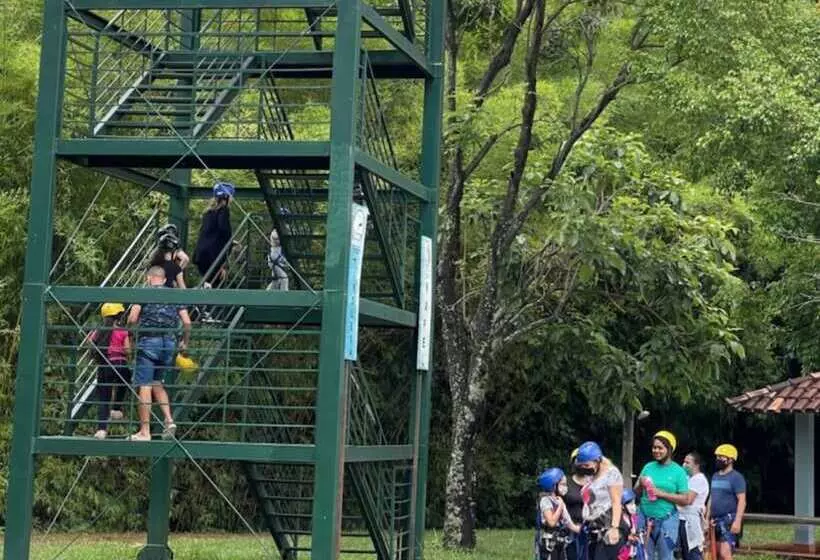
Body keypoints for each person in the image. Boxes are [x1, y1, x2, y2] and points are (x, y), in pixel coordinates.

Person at [127, 266, 191, 441]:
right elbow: (187, 322)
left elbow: (132, 318)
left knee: (145, 385)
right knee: (157, 383)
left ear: (148, 278)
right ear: (163, 280)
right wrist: (185, 342)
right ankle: (169, 420)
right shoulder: (175, 294)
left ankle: (144, 431)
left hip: (149, 342)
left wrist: (131, 336)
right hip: (169, 344)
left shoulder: (143, 292)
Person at [634, 430, 691, 560]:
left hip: (667, 521)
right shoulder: (648, 467)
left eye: (660, 448)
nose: (656, 451)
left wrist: (661, 494)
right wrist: (640, 485)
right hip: (644, 518)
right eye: (654, 447)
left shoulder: (678, 471)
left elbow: (685, 499)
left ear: (669, 449)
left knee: (665, 557)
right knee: (643, 556)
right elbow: (636, 492)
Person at [84, 303, 131, 440]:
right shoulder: (123, 331)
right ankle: (116, 408)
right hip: (120, 364)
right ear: (119, 316)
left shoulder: (99, 330)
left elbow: (89, 342)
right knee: (125, 381)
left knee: (104, 398)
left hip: (104, 366)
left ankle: (101, 430)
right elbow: (128, 350)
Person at [576, 441, 625, 560]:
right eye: (582, 466)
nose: (584, 468)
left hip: (607, 526)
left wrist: (614, 528)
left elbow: (616, 502)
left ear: (597, 461)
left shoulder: (611, 473)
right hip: (592, 528)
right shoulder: (590, 475)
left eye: (587, 465)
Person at [707, 444, 746, 560]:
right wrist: (707, 517)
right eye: (717, 456)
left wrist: (737, 521)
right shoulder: (715, 476)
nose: (718, 459)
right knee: (716, 553)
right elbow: (711, 498)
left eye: (721, 457)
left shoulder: (736, 477)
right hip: (714, 521)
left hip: (728, 520)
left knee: (725, 554)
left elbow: (742, 500)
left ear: (731, 459)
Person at [193, 182, 234, 288]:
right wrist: (230, 242)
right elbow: (224, 229)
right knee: (216, 283)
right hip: (213, 256)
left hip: (201, 254)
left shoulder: (208, 212)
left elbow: (210, 233)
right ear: (227, 197)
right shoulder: (224, 210)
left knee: (208, 282)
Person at [536, 467, 581, 560]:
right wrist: (560, 507)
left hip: (561, 543)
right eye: (562, 484)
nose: (565, 487)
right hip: (550, 543)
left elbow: (569, 523)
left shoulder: (559, 501)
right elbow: (551, 522)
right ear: (553, 486)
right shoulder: (546, 500)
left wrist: (583, 529)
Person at [678, 452, 709, 560]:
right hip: (681, 518)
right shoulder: (687, 478)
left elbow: (688, 500)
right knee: (684, 554)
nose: (684, 465)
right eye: (684, 462)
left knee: (693, 553)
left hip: (691, 521)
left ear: (696, 465)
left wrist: (671, 496)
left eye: (687, 462)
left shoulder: (699, 479)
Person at [566, 448, 590, 560]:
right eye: (578, 460)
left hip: (590, 530)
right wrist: (571, 526)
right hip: (570, 531)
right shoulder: (565, 482)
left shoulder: (594, 483)